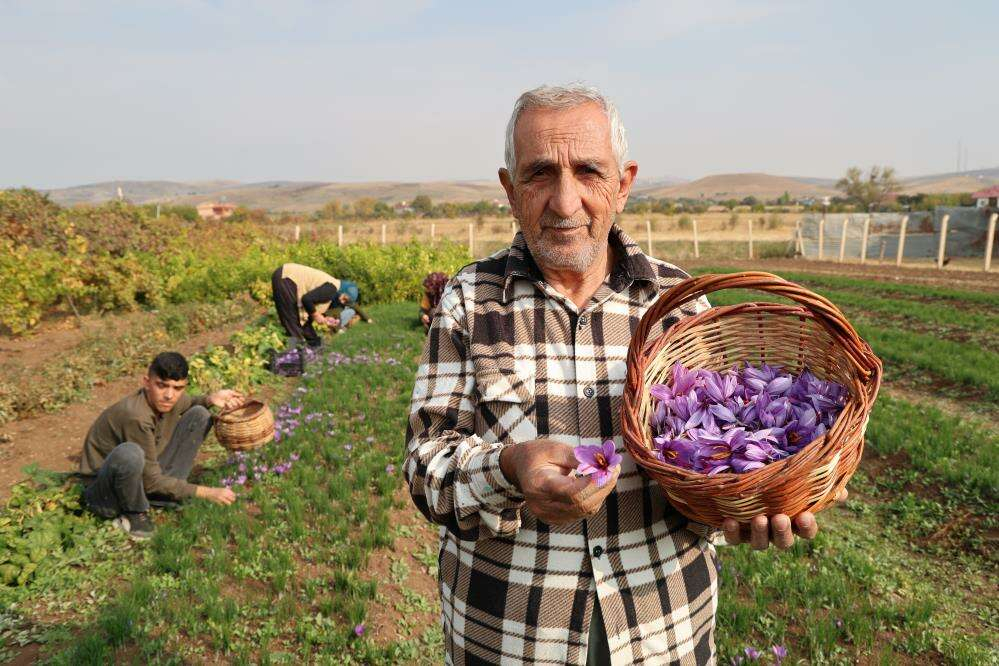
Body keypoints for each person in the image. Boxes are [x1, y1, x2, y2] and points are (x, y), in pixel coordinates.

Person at [404, 84, 846, 665]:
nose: (565, 202)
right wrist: (509, 467)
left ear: (624, 183)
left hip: (662, 631)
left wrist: (746, 507)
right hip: (511, 637)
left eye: (589, 171)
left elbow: (717, 458)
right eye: (539, 174)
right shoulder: (471, 301)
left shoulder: (679, 305)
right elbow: (425, 465)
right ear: (510, 191)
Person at [78, 352, 246, 540]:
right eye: (162, 385)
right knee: (130, 453)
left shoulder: (171, 399)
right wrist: (206, 492)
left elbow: (190, 403)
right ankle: (134, 512)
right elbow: (149, 480)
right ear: (146, 382)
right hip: (105, 493)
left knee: (199, 414)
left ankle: (163, 495)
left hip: (141, 476)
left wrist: (211, 399)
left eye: (177, 388)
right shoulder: (136, 416)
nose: (169, 395)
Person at [270, 262, 373, 347]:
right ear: (343, 293)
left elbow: (307, 313)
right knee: (292, 320)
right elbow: (307, 299)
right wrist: (316, 315)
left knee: (301, 320)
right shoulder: (331, 289)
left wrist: (322, 318)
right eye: (344, 300)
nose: (343, 303)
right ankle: (294, 358)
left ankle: (315, 346)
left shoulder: (332, 290)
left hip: (286, 278)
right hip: (286, 277)